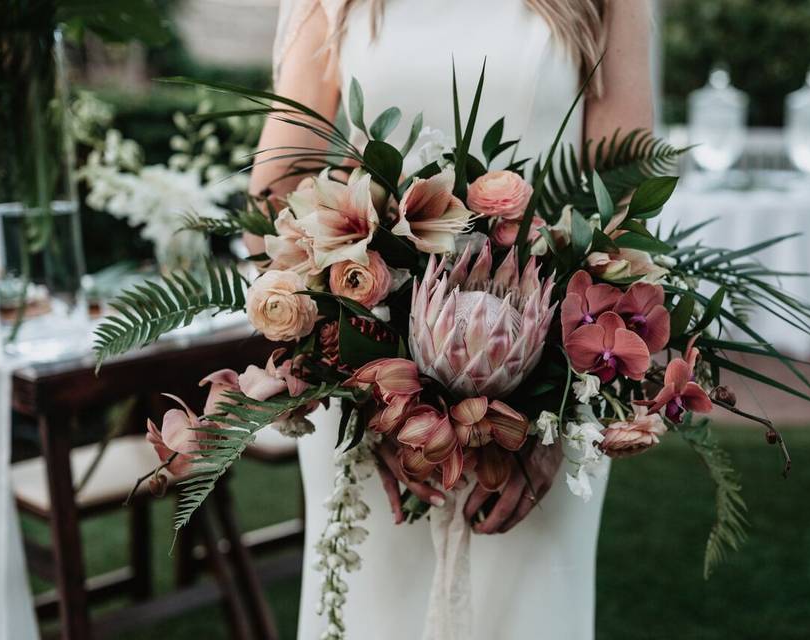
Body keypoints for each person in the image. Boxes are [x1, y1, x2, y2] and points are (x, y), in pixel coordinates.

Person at [250, 1, 653, 637]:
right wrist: (361, 384)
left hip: (544, 392)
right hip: (364, 372)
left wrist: (557, 413)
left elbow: (626, 193)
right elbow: (277, 185)